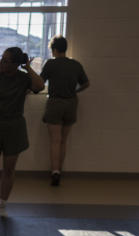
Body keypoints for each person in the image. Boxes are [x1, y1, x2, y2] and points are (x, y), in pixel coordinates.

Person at [0, 47, 44, 217]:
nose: (1, 63)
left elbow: (39, 85)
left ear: (16, 64)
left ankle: (2, 205)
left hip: (14, 127)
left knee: (9, 170)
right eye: (1, 59)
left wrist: (27, 67)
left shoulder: (24, 78)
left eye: (6, 60)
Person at [40, 36, 89, 186]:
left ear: (54, 49)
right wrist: (75, 91)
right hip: (71, 103)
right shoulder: (76, 65)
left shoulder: (50, 64)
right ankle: (59, 170)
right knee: (63, 141)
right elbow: (86, 83)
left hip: (55, 103)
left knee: (55, 140)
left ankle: (55, 172)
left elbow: (39, 83)